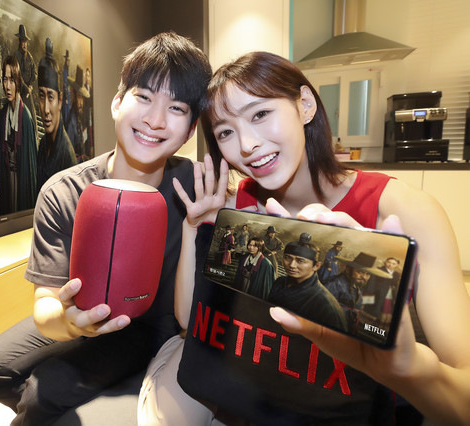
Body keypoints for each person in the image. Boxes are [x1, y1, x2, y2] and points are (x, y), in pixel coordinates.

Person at [139, 51, 470, 425]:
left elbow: (463, 397)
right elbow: (190, 320)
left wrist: (407, 370)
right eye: (225, 132)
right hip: (252, 391)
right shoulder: (237, 206)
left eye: (260, 114)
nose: (246, 144)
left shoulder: (404, 211)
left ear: (306, 105)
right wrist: (193, 228)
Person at [0, 32, 212, 425]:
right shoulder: (65, 191)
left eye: (176, 108)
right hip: (84, 311)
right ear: (117, 102)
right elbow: (46, 303)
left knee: (42, 395)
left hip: (155, 327)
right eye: (144, 97)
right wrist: (68, 322)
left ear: (190, 130)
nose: (155, 120)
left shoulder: (197, 188)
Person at [35, 38, 78, 190]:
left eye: (50, 97)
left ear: (60, 100)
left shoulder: (67, 156)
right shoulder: (42, 145)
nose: (46, 109)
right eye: (41, 96)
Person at [0, 55, 37, 213]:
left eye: (12, 80)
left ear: (18, 82)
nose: (8, 86)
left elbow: (30, 167)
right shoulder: (4, 114)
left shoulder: (25, 118)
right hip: (8, 178)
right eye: (5, 80)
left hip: (21, 181)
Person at [323, 252, 384, 332]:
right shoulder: (334, 284)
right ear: (348, 269)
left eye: (367, 274)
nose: (364, 277)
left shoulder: (355, 286)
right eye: (360, 272)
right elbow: (323, 309)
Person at [13, 24, 41, 142]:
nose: (24, 44)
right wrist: (25, 87)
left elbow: (35, 73)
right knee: (19, 120)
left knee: (32, 118)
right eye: (22, 41)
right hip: (19, 93)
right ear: (19, 42)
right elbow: (17, 75)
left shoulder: (29, 56)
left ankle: (34, 141)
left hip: (28, 93)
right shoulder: (16, 56)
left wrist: (30, 85)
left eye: (25, 42)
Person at [362, 256, 400, 324]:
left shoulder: (396, 274)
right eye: (389, 262)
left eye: (393, 264)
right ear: (385, 262)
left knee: (385, 310)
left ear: (397, 265)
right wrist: (368, 294)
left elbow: (395, 285)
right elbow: (371, 283)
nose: (390, 264)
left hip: (389, 295)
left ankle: (379, 324)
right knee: (373, 309)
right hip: (377, 293)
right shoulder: (379, 270)